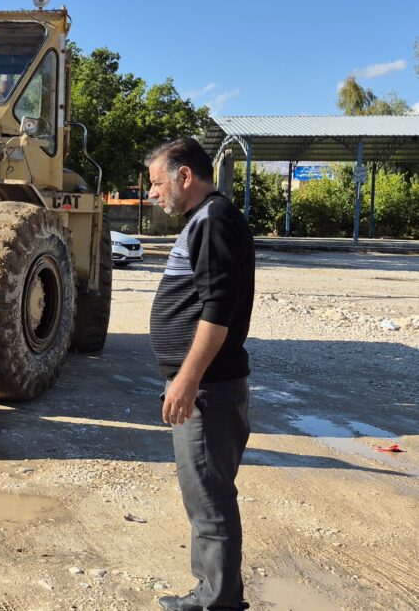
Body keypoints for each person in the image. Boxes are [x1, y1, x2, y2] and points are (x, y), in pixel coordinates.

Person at [145, 137, 255, 611]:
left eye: (156, 183)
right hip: (206, 385)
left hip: (208, 388)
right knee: (205, 494)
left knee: (209, 498)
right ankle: (213, 592)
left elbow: (218, 309)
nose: (152, 193)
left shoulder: (213, 219)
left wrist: (187, 380)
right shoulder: (207, 219)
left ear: (184, 176)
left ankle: (218, 602)